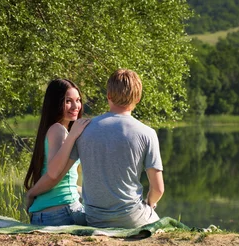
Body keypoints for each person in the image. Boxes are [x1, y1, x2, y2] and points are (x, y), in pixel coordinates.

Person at [47, 69, 164, 228]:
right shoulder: (147, 133)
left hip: (96, 219)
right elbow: (158, 189)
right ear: (138, 98)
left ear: (108, 95)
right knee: (158, 221)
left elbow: (59, 171)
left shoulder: (84, 130)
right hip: (132, 218)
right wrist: (149, 203)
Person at [23, 79, 90, 226]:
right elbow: (53, 174)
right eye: (68, 101)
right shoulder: (58, 130)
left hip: (49, 215)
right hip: (63, 213)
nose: (75, 106)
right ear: (55, 103)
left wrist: (91, 191)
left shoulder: (56, 130)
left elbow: (63, 182)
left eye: (78, 100)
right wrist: (31, 193)